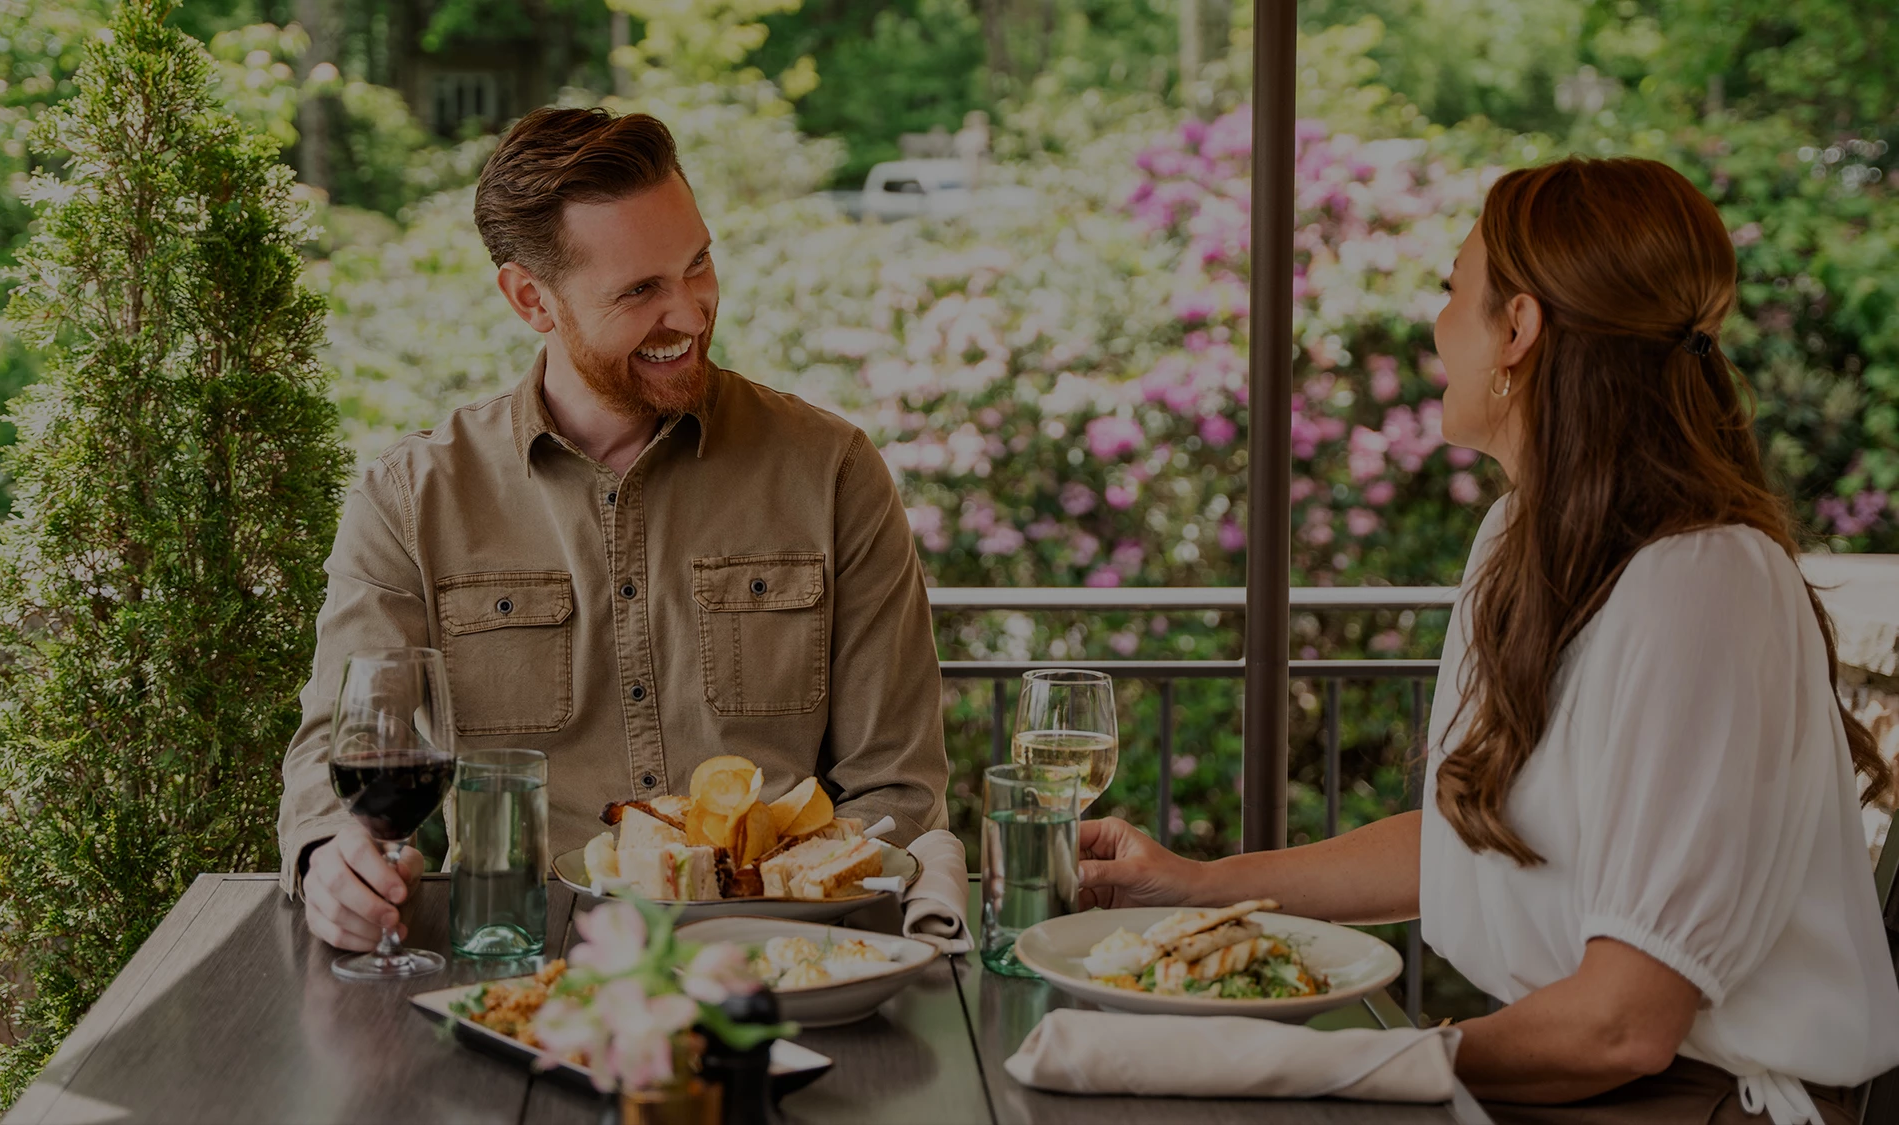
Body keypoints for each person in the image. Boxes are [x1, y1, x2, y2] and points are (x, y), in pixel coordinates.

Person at [1079, 156, 1899, 1124]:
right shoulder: (1526, 541)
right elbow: (1476, 841)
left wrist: (1319, 1064)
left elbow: (1623, 1024)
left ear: (1518, 328)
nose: (1434, 327)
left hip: (1704, 1105)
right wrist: (1194, 887)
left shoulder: (1704, 587)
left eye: (1450, 290)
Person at [280, 107, 949, 952]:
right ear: (532, 299)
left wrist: (813, 927)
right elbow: (329, 759)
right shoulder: (410, 500)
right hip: (522, 959)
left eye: (697, 263)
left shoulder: (835, 472)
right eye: (640, 290)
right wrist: (328, 859)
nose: (692, 311)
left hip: (785, 956)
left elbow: (898, 785)